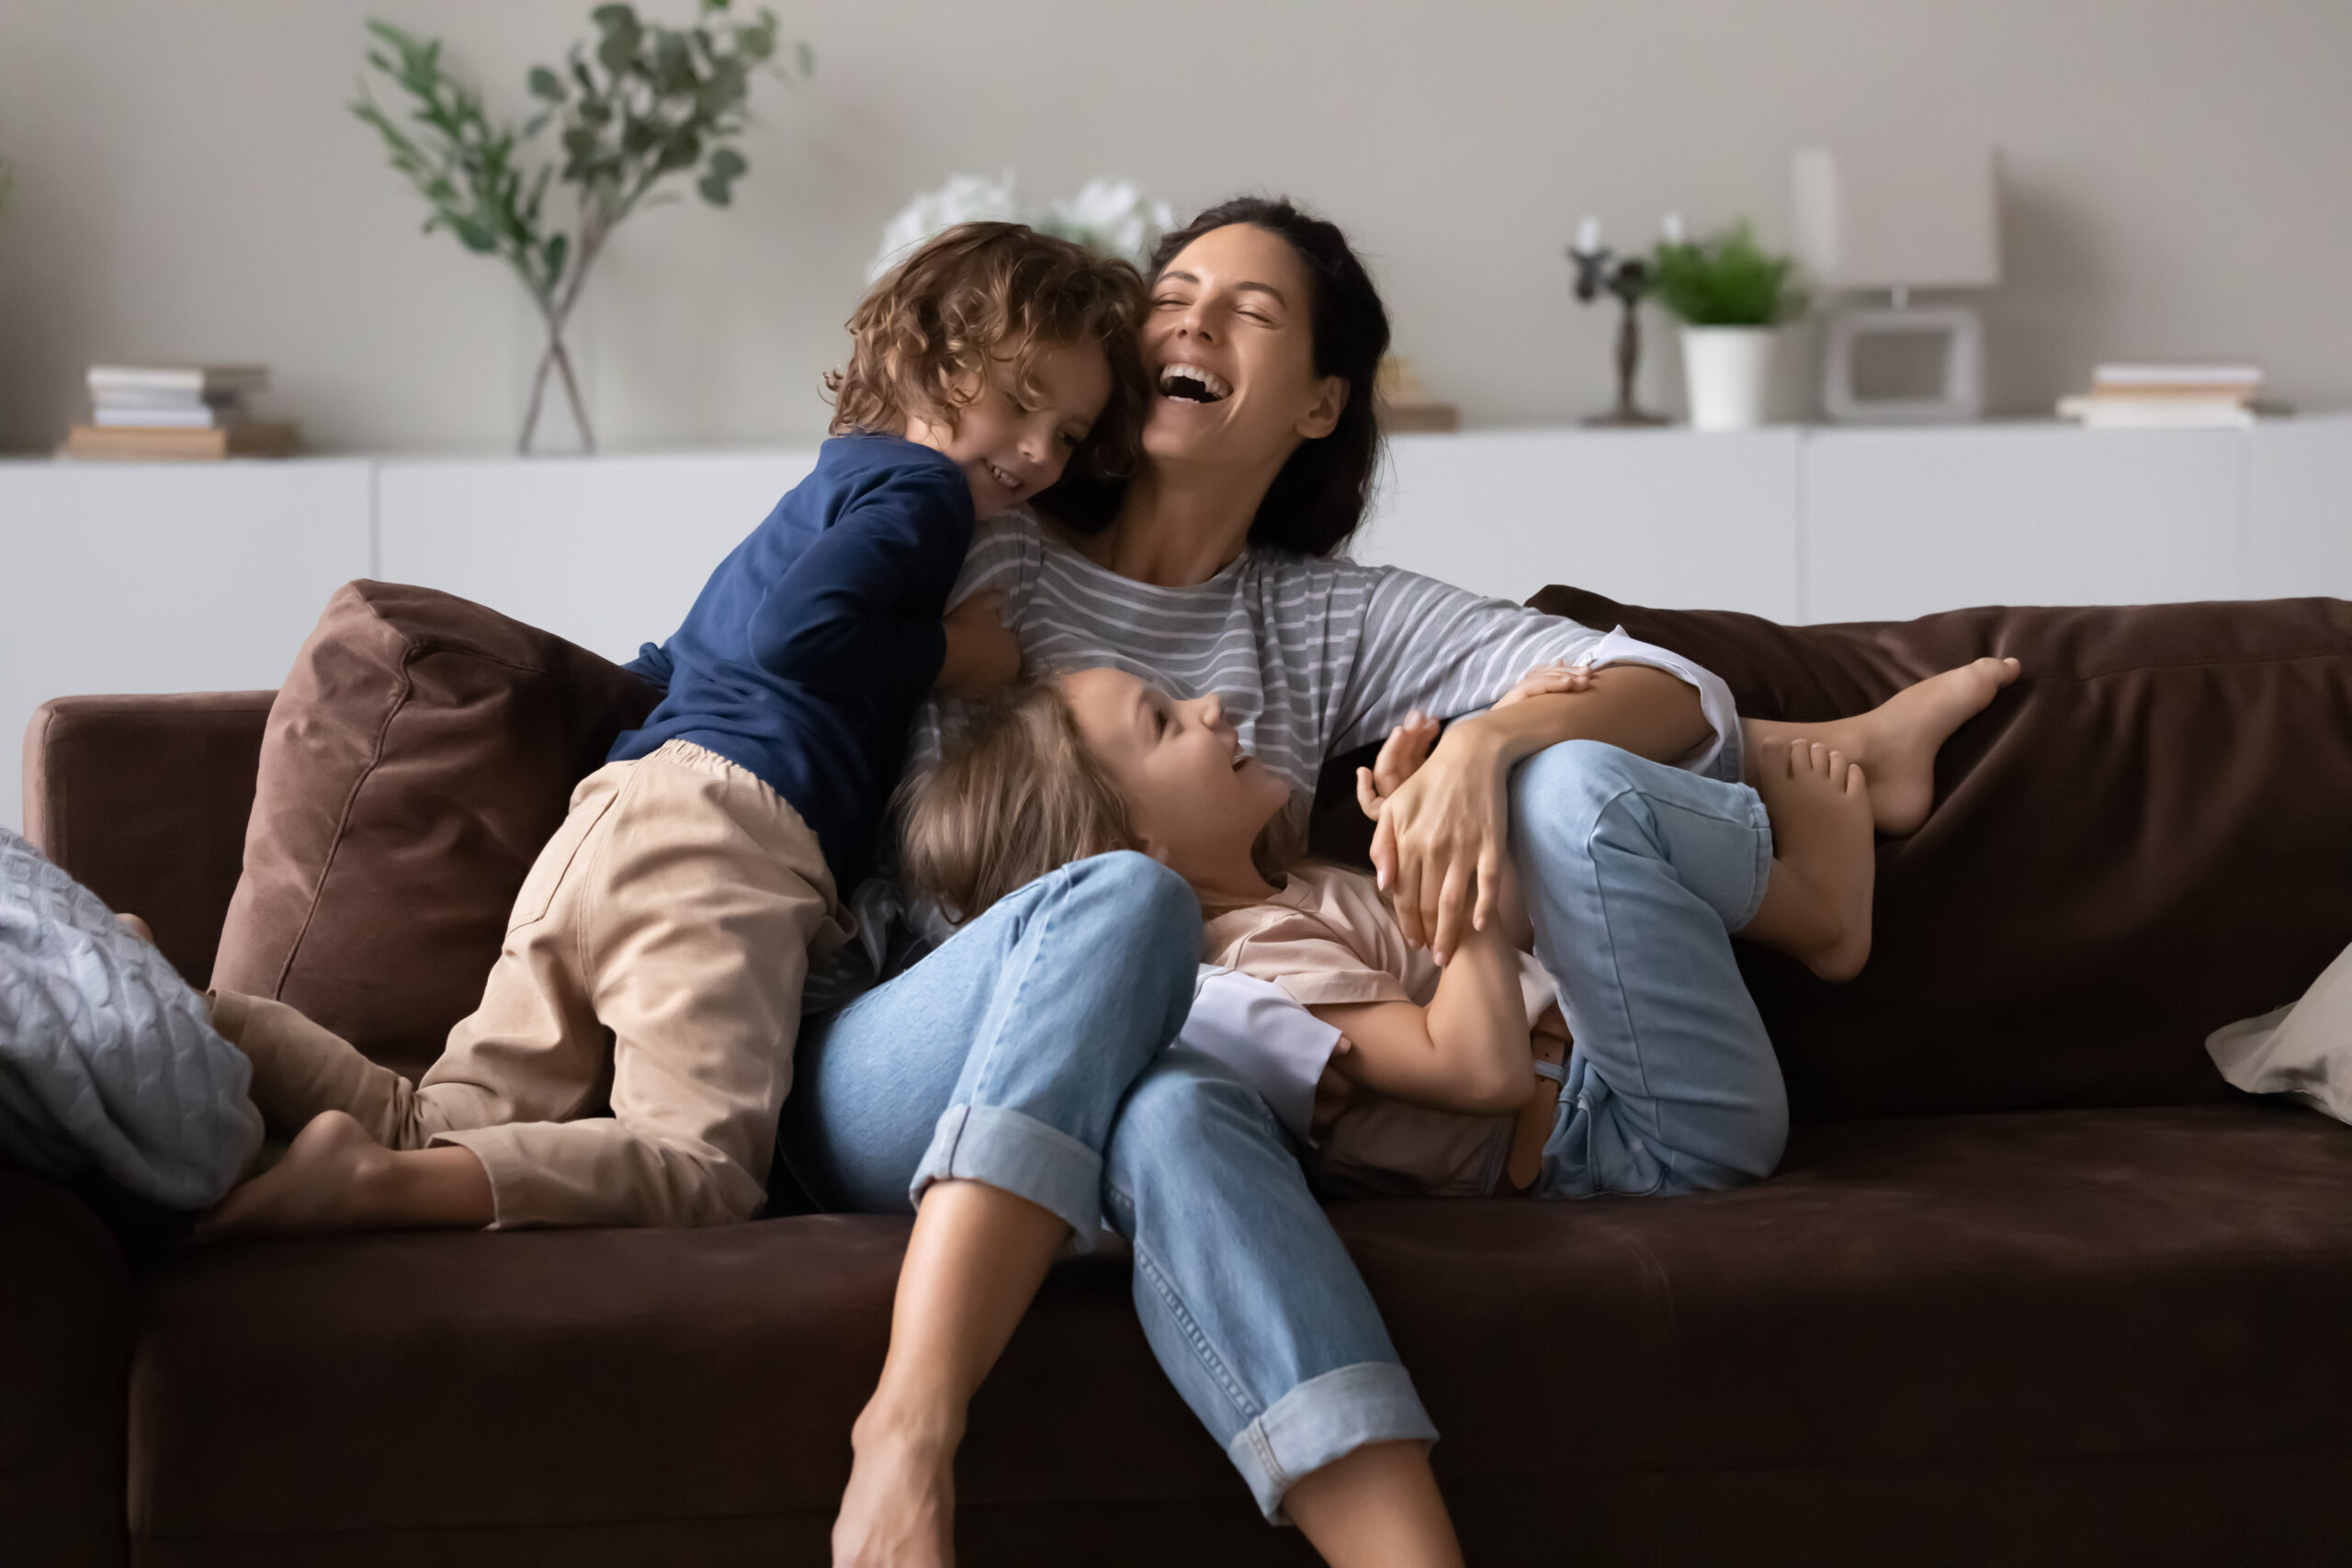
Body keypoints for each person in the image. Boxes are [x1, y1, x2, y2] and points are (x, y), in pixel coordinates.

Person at [792, 195, 2009, 1567]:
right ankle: (906, 1431)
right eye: (1172, 289)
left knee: (1176, 1102)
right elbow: (790, 609)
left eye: (1248, 309)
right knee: (1129, 910)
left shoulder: (1325, 617)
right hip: (907, 1049)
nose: (1188, 317)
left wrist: (1487, 744)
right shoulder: (990, 531)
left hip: (1145, 1064)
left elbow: (1677, 695)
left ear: (1317, 407)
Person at [197, 222, 1145, 1236]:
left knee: (440, 1114)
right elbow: (798, 636)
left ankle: (179, 1013)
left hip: (615, 814)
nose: (1042, 453)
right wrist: (961, 658)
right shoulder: (920, 496)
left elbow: (673, 661)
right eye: (1022, 404)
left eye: (1073, 434)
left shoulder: (822, 490)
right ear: (925, 364)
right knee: (699, 1167)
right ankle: (367, 1187)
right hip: (729, 836)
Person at [897, 653, 2015, 1205]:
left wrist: (1465, 786)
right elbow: (1477, 1068)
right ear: (1128, 854)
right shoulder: (1236, 966)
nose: (1212, 707)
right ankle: (1822, 913)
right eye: (1163, 723)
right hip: (1639, 1150)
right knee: (1567, 792)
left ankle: (1823, 846)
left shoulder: (1298, 889)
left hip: (1616, 1079)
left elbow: (1518, 942)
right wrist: (1456, 874)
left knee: (1543, 779)